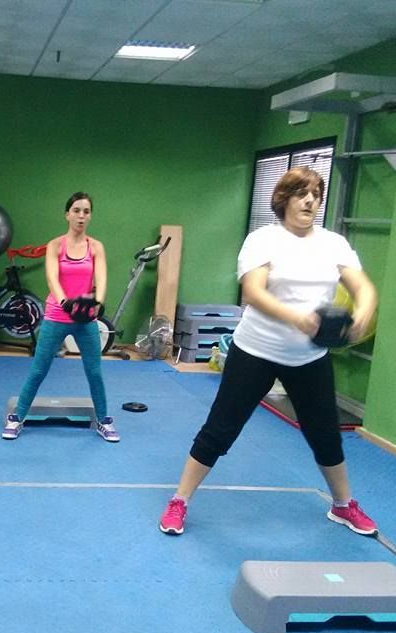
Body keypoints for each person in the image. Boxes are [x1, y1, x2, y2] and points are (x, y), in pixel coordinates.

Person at [158, 167, 378, 537]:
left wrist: (363, 314)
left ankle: (343, 505)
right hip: (255, 351)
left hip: (308, 358)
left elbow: (364, 287)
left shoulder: (333, 244)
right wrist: (297, 318)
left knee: (325, 434)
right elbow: (253, 293)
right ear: (285, 199)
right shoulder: (263, 240)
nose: (310, 200)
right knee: (220, 430)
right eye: (301, 193)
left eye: (315, 194)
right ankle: (180, 500)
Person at [2, 192, 118, 442]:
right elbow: (52, 278)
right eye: (76, 210)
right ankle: (17, 418)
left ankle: (104, 420)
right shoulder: (56, 245)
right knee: (39, 370)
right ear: (67, 214)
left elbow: (102, 277)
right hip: (57, 315)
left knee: (94, 372)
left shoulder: (96, 247)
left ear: (90, 216)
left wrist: (98, 302)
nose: (81, 216)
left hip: (85, 319)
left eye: (86, 211)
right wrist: (66, 303)